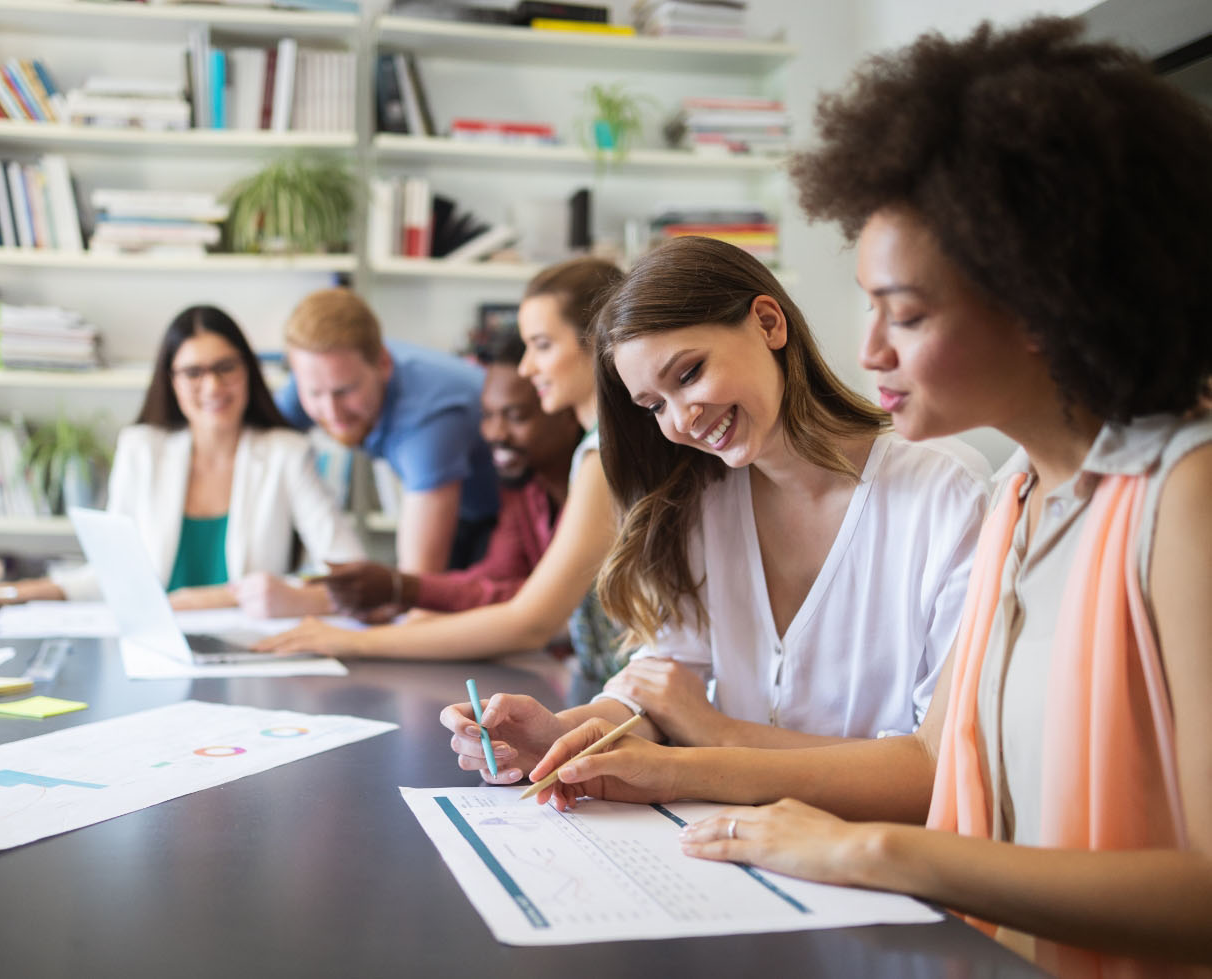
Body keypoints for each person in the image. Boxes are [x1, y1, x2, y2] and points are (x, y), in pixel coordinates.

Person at [513, 20, 1212, 975]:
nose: (872, 349)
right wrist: (597, 736)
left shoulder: (1177, 495)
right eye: (871, 306)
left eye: (908, 313)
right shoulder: (1020, 495)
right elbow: (959, 769)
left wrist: (865, 848)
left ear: (1044, 299)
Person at [441, 235, 991, 779]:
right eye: (654, 405)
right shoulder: (698, 497)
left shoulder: (947, 490)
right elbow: (661, 692)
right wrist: (563, 735)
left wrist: (715, 734)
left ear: (769, 324)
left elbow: (936, 766)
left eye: (689, 373)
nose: (681, 421)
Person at [254, 258, 630, 682]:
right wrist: (403, 596)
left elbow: (531, 622)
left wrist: (356, 641)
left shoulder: (601, 457)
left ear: (601, 342)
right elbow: (508, 588)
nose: (526, 368)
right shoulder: (582, 456)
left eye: (542, 345)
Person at [0, 305, 365, 614]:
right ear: (170, 382)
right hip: (153, 648)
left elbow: (352, 571)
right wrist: (10, 594)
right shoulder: (142, 450)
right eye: (193, 372)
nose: (212, 387)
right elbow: (111, 576)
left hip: (247, 652)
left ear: (247, 371)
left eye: (225, 368)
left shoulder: (285, 453)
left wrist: (227, 597)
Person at [316, 327, 585, 617]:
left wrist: (402, 589)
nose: (495, 433)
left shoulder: (598, 488)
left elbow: (542, 600)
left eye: (516, 416)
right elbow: (494, 578)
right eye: (487, 415)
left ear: (569, 413)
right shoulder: (523, 488)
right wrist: (398, 590)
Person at [273, 287, 499, 582]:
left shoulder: (428, 423)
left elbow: (417, 581)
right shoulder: (323, 372)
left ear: (383, 364)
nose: (332, 412)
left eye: (345, 391)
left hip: (505, 513)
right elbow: (256, 443)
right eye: (314, 393)